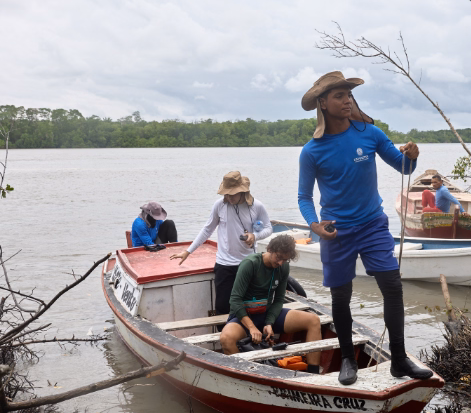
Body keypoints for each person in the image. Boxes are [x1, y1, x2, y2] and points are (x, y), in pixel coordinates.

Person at [298, 70, 433, 385]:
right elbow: (304, 197)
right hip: (336, 230)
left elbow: (402, 167)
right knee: (341, 295)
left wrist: (411, 158)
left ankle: (399, 360)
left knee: (392, 285)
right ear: (323, 103)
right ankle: (347, 359)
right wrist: (315, 225)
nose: (347, 101)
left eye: (349, 95)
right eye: (339, 96)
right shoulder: (312, 151)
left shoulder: (370, 134)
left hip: (372, 223)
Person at [170, 171, 272, 314]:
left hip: (249, 263)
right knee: (223, 307)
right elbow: (207, 230)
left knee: (249, 305)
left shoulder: (256, 206)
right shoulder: (220, 205)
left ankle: (247, 334)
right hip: (225, 264)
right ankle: (223, 334)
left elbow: (268, 228)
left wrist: (254, 236)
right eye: (226, 194)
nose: (228, 198)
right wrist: (188, 251)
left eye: (232, 194)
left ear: (242, 191)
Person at [220, 235, 322, 374]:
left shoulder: (283, 267)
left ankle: (313, 374)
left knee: (313, 320)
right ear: (269, 249)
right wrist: (252, 328)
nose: (280, 262)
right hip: (244, 316)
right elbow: (235, 300)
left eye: (285, 259)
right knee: (226, 338)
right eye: (278, 257)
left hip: (266, 314)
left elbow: (279, 299)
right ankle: (247, 375)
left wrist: (269, 322)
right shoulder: (250, 264)